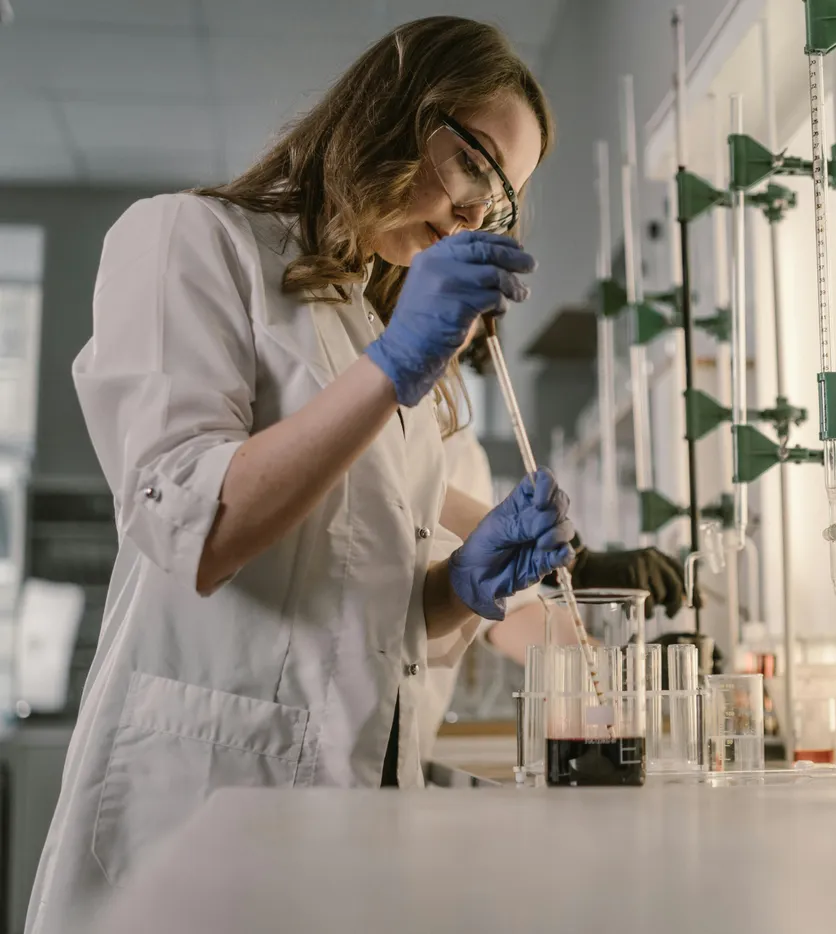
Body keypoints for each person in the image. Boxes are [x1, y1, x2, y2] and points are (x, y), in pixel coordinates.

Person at [26, 18, 568, 933]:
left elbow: (344, 617)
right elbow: (193, 533)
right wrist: (396, 364)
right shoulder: (190, 242)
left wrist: (452, 590)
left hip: (350, 824)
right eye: (474, 162)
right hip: (196, 821)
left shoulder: (367, 329)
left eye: (504, 197)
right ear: (395, 105)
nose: (477, 210)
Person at [418, 350, 697, 761]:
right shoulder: (367, 398)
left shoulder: (459, 444)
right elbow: (414, 496)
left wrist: (624, 666)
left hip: (411, 736)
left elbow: (508, 612)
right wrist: (576, 562)